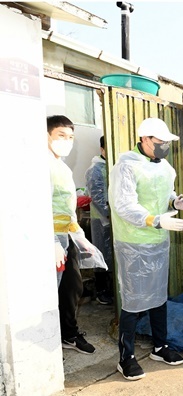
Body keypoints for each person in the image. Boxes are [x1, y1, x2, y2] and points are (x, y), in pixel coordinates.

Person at [109, 117, 183, 380]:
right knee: (134, 300)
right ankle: (126, 357)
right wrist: (155, 220)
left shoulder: (165, 167)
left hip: (159, 241)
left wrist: (177, 201)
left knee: (158, 296)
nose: (164, 146)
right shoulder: (126, 165)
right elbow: (124, 205)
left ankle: (160, 346)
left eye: (167, 142)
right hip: (133, 242)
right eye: (160, 142)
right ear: (144, 139)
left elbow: (165, 193)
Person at [48, 115, 98, 355]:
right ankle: (53, 338)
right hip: (49, 239)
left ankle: (68, 334)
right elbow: (35, 206)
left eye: (70, 137)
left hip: (65, 237)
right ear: (46, 135)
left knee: (72, 287)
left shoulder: (62, 167)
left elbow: (67, 208)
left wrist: (78, 235)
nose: (66, 141)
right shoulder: (40, 165)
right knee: (53, 290)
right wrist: (49, 241)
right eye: (61, 135)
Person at [85, 135, 114, 305]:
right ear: (102, 149)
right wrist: (108, 213)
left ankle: (110, 290)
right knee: (101, 254)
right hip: (100, 219)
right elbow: (96, 196)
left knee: (112, 256)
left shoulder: (111, 167)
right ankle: (102, 291)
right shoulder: (95, 169)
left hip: (113, 219)